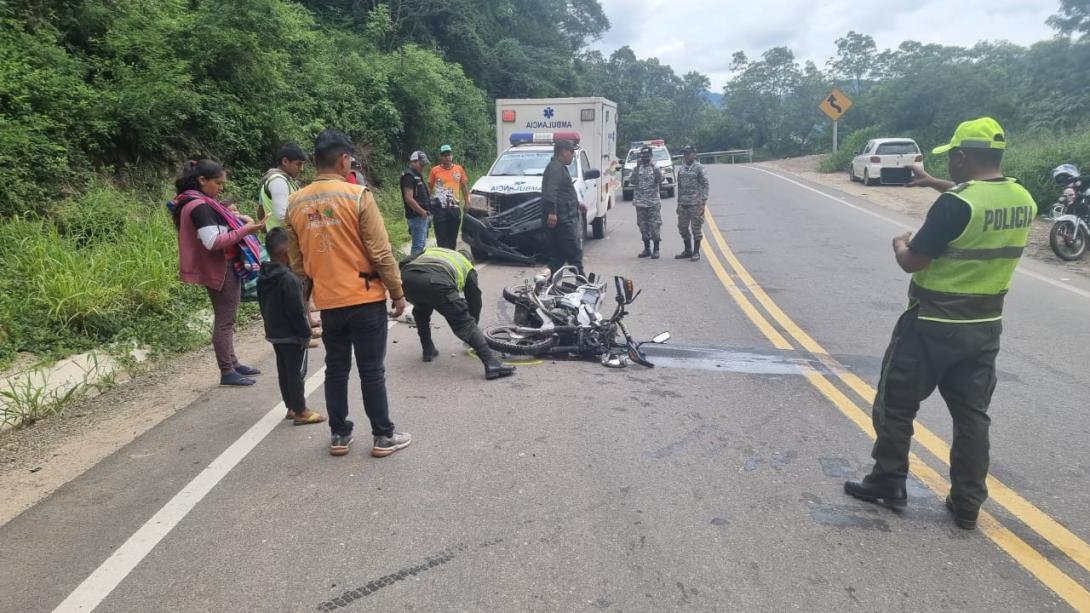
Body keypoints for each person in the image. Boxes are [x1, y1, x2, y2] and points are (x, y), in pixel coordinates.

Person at [844, 117, 1036, 531]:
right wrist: (933, 181)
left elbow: (913, 260)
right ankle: (967, 503)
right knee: (972, 416)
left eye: (952, 157)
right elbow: (974, 204)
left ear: (963, 157)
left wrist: (899, 243)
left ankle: (888, 481)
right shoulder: (1022, 198)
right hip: (985, 327)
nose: (950, 163)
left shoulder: (956, 205)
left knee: (895, 405)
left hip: (931, 324)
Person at [285, 129, 411, 458]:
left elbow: (298, 263)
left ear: (314, 161)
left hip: (329, 303)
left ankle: (340, 435)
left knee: (336, 368)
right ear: (344, 160)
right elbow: (381, 252)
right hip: (365, 298)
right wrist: (397, 291)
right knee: (371, 370)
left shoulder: (295, 203)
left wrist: (306, 302)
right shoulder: (357, 196)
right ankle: (383, 437)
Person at [169, 160, 266, 386]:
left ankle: (232, 362)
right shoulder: (200, 206)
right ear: (202, 180)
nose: (220, 188)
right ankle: (227, 370)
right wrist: (246, 230)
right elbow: (213, 242)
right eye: (218, 183)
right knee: (225, 320)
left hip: (224, 265)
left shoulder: (197, 203)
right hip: (220, 267)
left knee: (228, 317)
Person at [400, 247, 516, 380]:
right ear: (470, 260)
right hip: (437, 283)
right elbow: (474, 300)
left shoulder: (434, 250)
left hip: (407, 279)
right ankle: (491, 363)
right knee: (465, 324)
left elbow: (404, 261)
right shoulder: (467, 266)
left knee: (421, 309)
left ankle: (428, 350)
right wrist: (473, 325)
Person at [257, 227, 325, 425]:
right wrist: (306, 334)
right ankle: (301, 410)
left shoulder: (264, 275)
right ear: (288, 252)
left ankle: (290, 407)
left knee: (284, 370)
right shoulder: (289, 279)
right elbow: (296, 311)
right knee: (296, 372)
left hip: (274, 332)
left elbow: (262, 304)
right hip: (292, 335)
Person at [542, 139, 584, 275]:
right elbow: (551, 191)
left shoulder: (559, 167)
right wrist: (552, 212)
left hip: (563, 218)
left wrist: (578, 204)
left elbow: (564, 193)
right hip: (562, 220)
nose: (572, 155)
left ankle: (544, 284)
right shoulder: (556, 168)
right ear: (564, 152)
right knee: (574, 253)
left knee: (558, 257)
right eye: (571, 152)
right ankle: (582, 283)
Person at [427, 144, 470, 248]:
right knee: (441, 238)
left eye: (448, 154)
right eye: (444, 155)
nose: (447, 157)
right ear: (441, 157)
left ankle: (451, 260)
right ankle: (442, 260)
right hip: (439, 209)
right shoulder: (434, 170)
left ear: (452, 155)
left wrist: (467, 202)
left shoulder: (459, 169)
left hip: (454, 208)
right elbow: (429, 189)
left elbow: (464, 187)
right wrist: (425, 204)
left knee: (452, 238)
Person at [257, 143, 306, 231]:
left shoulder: (286, 180)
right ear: (285, 161)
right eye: (298, 164)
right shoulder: (278, 181)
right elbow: (282, 215)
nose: (301, 169)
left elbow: (260, 214)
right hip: (283, 239)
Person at [674, 145, 709, 261]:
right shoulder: (682, 169)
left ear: (694, 154)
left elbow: (705, 184)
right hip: (683, 203)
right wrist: (678, 203)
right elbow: (679, 187)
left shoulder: (699, 168)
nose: (686, 156)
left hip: (695, 203)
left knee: (696, 228)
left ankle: (696, 252)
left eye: (688, 153)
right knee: (682, 227)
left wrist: (703, 202)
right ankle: (688, 250)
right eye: (684, 154)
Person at [631, 145, 663, 259]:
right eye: (643, 156)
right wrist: (635, 168)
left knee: (655, 227)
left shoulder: (655, 167)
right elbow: (632, 181)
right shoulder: (637, 168)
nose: (644, 158)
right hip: (640, 203)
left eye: (647, 156)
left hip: (653, 202)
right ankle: (647, 249)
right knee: (643, 227)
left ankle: (656, 249)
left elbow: (661, 179)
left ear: (651, 156)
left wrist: (654, 167)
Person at [401, 151, 432, 256]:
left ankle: (417, 267)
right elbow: (408, 198)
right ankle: (414, 269)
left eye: (424, 164)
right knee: (418, 247)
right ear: (413, 161)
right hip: (416, 216)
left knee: (421, 245)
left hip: (421, 216)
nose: (423, 167)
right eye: (421, 164)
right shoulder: (409, 176)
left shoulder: (417, 175)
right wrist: (422, 212)